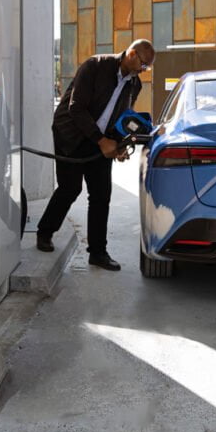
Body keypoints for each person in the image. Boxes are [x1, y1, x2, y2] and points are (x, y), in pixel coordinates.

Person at [36, 39, 156, 270]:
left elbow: (121, 116)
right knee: (70, 188)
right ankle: (45, 232)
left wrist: (119, 145)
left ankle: (98, 253)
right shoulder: (95, 66)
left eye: (147, 67)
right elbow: (76, 108)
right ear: (131, 53)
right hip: (70, 134)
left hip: (99, 139)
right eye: (143, 64)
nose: (144, 70)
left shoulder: (135, 84)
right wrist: (102, 141)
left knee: (101, 195)